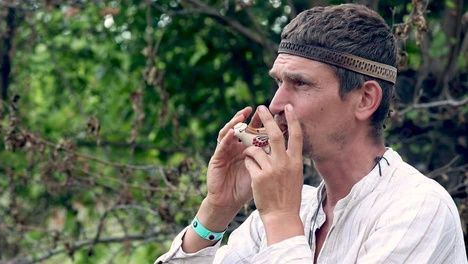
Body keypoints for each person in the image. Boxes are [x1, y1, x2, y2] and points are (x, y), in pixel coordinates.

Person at [155, 4, 467, 264]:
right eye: (279, 83)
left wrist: (279, 219)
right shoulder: (292, 207)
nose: (276, 104)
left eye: (300, 84)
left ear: (365, 99)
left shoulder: (418, 209)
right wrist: (216, 211)